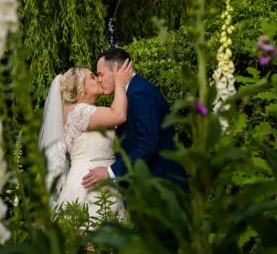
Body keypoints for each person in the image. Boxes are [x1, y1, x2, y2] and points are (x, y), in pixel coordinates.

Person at [39, 61, 133, 219]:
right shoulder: (78, 112)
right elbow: (118, 115)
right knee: (92, 235)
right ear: (79, 87)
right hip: (89, 184)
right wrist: (120, 84)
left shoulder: (86, 111)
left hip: (101, 179)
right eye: (92, 77)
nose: (98, 79)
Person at [82, 48, 186, 191]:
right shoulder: (131, 92)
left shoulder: (140, 93)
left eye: (101, 74)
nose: (99, 80)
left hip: (159, 185)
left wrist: (110, 171)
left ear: (116, 70)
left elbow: (148, 145)